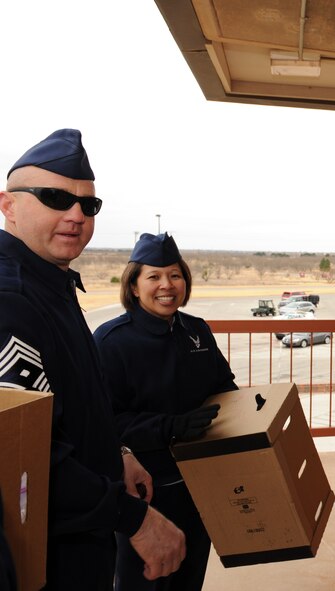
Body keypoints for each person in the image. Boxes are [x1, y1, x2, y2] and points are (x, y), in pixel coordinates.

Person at [0, 129, 186, 589]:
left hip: (83, 539)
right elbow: (25, 456)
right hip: (44, 555)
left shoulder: (51, 285)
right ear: (8, 205)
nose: (76, 215)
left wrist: (117, 453)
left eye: (89, 205)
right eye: (54, 197)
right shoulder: (11, 299)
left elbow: (75, 407)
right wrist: (137, 520)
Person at [94, 232, 238, 591]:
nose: (166, 285)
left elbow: (225, 387)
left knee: (190, 576)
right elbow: (105, 423)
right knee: (144, 582)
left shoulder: (197, 331)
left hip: (201, 485)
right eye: (154, 276)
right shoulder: (111, 342)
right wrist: (170, 427)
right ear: (133, 286)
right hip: (145, 493)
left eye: (175, 275)